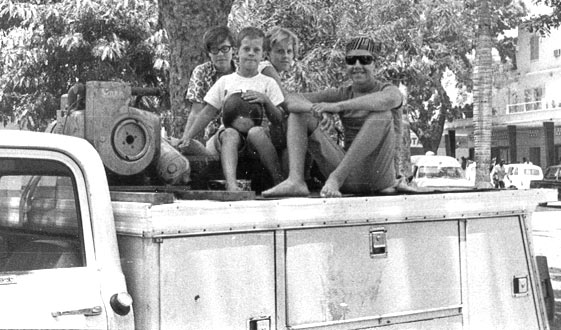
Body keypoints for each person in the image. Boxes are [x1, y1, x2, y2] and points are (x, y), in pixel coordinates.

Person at [263, 36, 412, 198]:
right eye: (351, 60)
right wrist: (314, 109)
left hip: (379, 178)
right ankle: (296, 181)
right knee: (299, 114)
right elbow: (290, 99)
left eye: (365, 60)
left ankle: (335, 177)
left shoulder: (387, 89)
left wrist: (337, 106)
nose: (357, 65)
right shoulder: (343, 93)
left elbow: (389, 100)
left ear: (375, 63)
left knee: (382, 115)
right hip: (349, 177)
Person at [178, 27, 285, 191]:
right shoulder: (226, 81)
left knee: (256, 132)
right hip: (229, 134)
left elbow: (278, 118)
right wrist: (188, 136)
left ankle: (278, 181)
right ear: (237, 52)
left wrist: (265, 101)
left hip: (257, 137)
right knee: (229, 133)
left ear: (263, 55)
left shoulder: (267, 83)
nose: (251, 53)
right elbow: (207, 111)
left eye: (256, 50)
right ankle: (232, 184)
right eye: (246, 49)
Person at [181, 26, 237, 146]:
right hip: (215, 136)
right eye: (215, 50)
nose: (220, 54)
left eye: (225, 49)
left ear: (233, 49)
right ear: (209, 53)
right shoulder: (201, 72)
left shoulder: (242, 72)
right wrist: (185, 138)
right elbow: (196, 111)